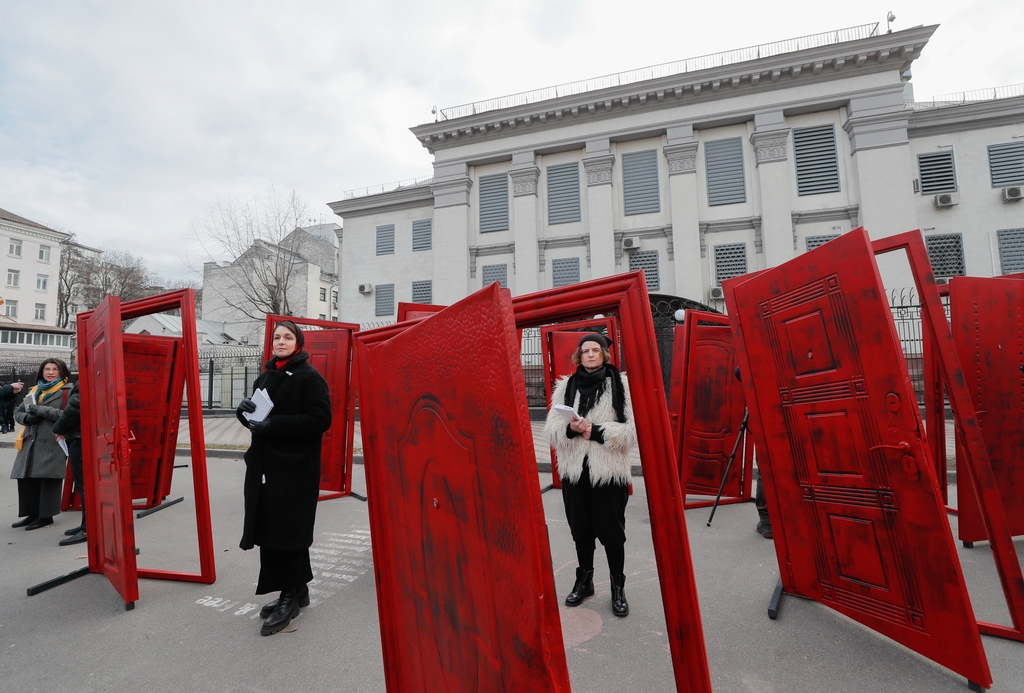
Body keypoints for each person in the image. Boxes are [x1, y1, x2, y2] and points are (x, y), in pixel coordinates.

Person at [236, 320, 331, 636]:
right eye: (276, 337)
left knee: (288, 533)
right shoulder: (267, 375)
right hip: (266, 467)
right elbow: (256, 417)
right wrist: (243, 411)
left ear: (298, 343)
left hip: (295, 470)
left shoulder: (309, 377)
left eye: (287, 337)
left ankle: (289, 597)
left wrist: (273, 426)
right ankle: (298, 591)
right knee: (273, 529)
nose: (280, 341)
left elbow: (320, 419)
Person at [545, 333, 637, 617]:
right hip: (575, 473)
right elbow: (550, 430)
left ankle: (617, 588)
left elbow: (633, 430)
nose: (590, 355)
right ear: (579, 355)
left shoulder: (620, 385)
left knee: (612, 535)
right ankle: (584, 582)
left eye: (595, 350)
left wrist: (594, 430)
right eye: (585, 351)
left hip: (608, 474)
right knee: (581, 533)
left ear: (604, 354)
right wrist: (571, 429)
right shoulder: (565, 387)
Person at [11, 359, 73, 531]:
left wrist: (41, 411)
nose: (50, 372)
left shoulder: (67, 390)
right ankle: (32, 514)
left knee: (48, 479)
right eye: (47, 369)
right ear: (42, 371)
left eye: (55, 369)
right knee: (28, 477)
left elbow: (68, 414)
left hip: (52, 441)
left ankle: (45, 516)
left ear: (62, 372)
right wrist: (26, 418)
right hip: (29, 440)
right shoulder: (34, 390)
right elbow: (18, 411)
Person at [53, 381, 85, 546]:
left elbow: (73, 410)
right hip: (84, 435)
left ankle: (87, 528)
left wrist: (58, 428)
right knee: (85, 485)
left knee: (84, 485)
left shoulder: (85, 379)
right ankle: (87, 524)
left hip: (79, 438)